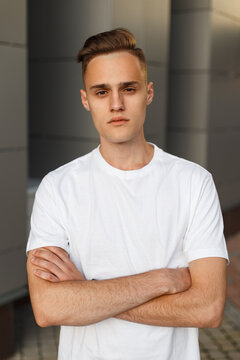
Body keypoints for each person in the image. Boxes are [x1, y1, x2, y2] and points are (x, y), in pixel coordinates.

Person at [26, 28, 229, 360]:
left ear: (148, 93)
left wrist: (86, 293)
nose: (116, 104)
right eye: (102, 91)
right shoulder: (58, 187)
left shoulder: (193, 182)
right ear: (85, 99)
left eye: (128, 89)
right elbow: (48, 308)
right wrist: (163, 279)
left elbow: (207, 308)